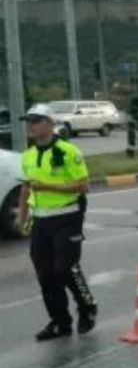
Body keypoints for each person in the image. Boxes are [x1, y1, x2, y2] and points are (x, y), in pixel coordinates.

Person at [16, 104, 98, 341]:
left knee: (65, 268)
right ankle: (60, 322)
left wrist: (49, 186)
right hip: (41, 220)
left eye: (36, 120)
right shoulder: (28, 156)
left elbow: (84, 186)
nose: (30, 125)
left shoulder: (68, 151)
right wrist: (22, 217)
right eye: (28, 120)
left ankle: (87, 307)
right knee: (45, 274)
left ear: (50, 124)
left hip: (67, 217)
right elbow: (25, 188)